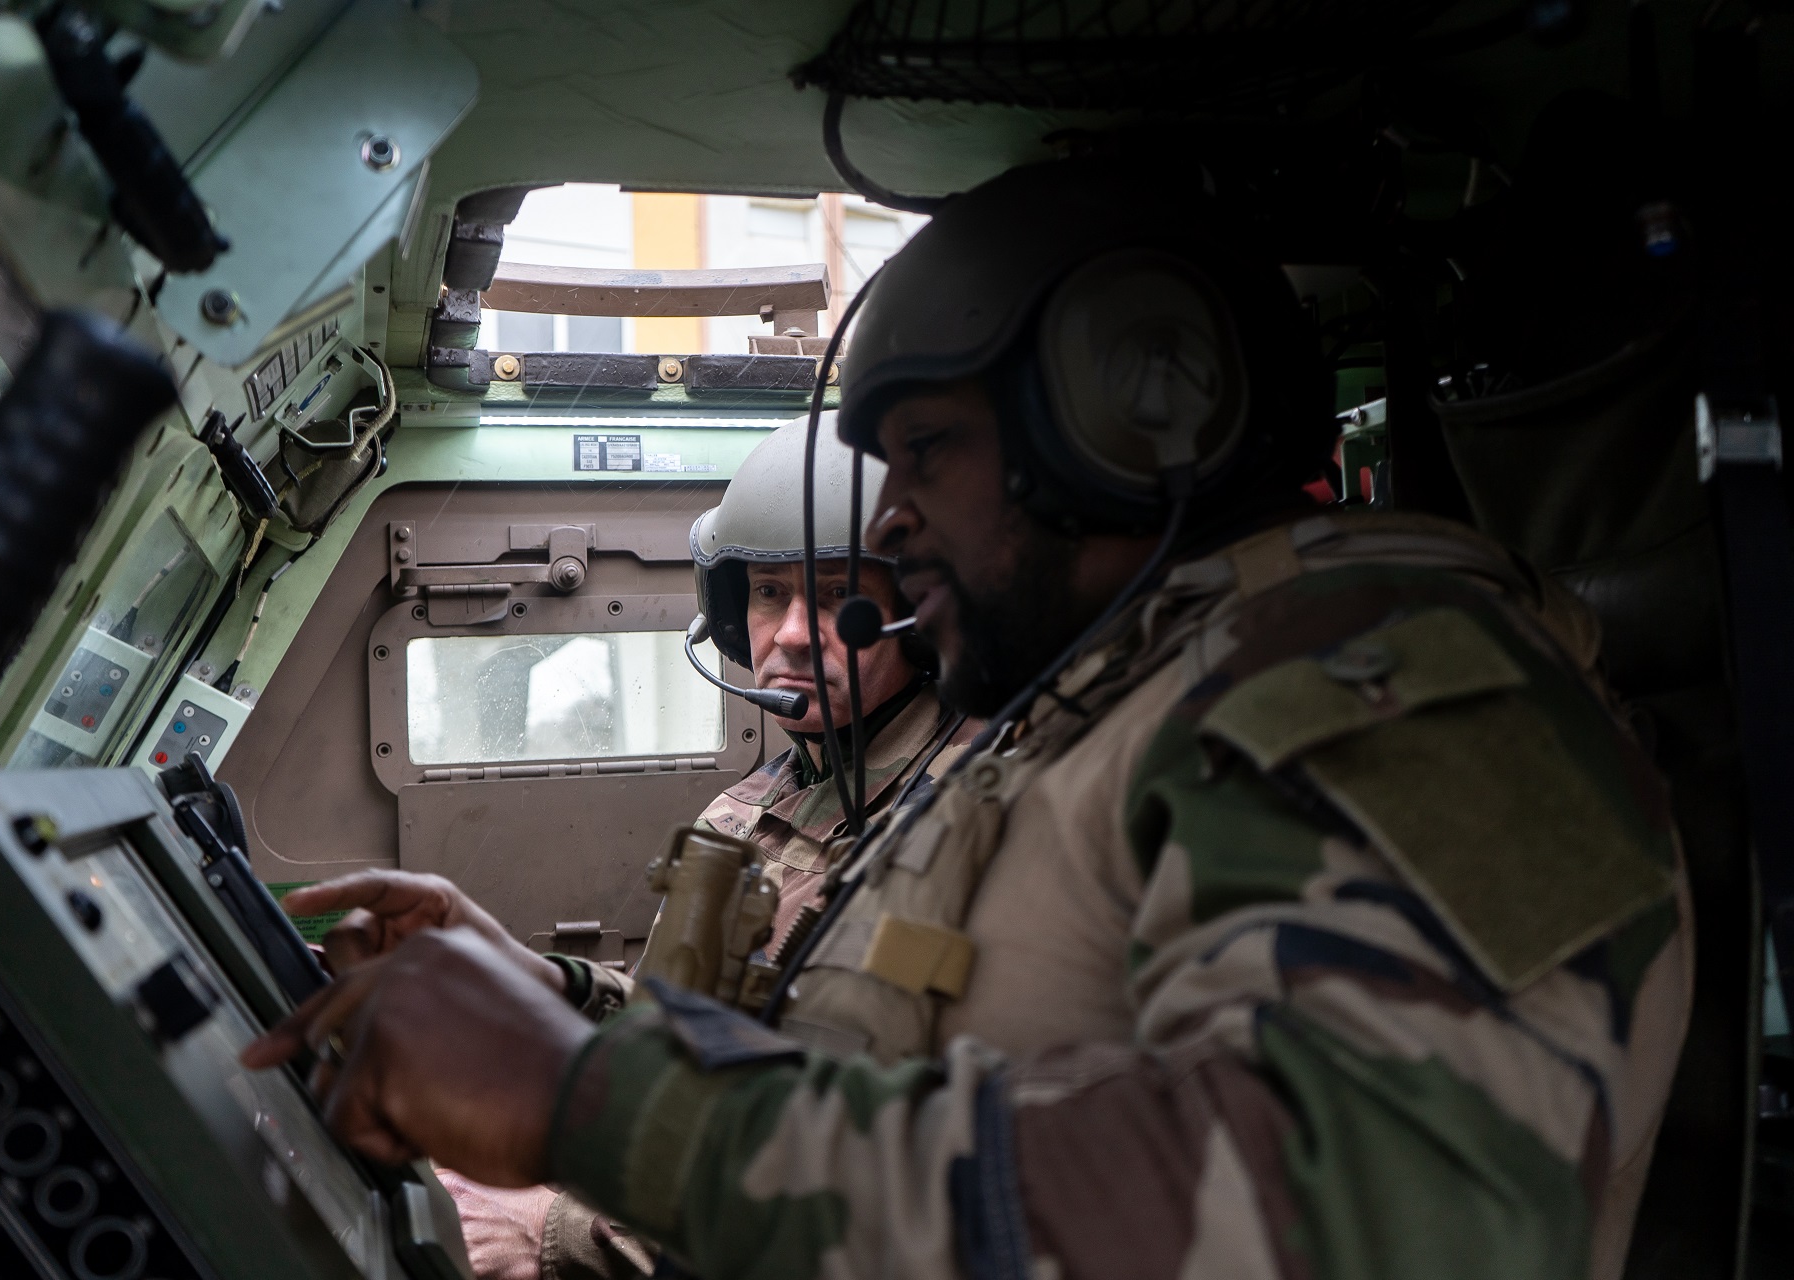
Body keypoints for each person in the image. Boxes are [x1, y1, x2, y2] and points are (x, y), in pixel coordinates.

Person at [246, 162, 1691, 1280]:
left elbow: (1377, 1217)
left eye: (928, 450)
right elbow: (915, 1060)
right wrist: (547, 1009)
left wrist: (591, 1108)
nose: (893, 519)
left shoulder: (1396, 693)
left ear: (1130, 414)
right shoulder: (1113, 697)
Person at [277, 415, 974, 1280]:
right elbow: (681, 1035)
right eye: (767, 593)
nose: (791, 633)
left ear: (920, 612)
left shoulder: (957, 831)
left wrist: (553, 1233)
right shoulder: (757, 806)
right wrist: (530, 980)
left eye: (834, 596)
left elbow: (862, 1169)